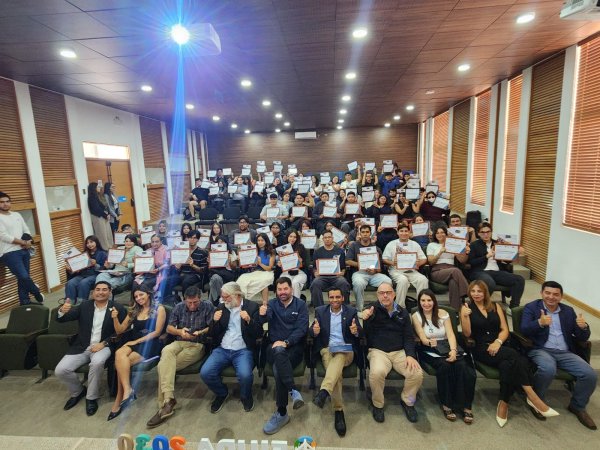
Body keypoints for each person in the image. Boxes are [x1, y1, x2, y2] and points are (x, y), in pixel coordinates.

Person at [460, 280, 559, 427]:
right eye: (473, 291)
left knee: (508, 365)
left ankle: (503, 403)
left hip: (500, 346)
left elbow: (505, 329)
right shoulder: (466, 308)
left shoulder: (496, 306)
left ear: (485, 292)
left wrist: (498, 342)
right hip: (482, 349)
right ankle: (532, 397)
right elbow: (467, 334)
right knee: (516, 357)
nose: (476, 294)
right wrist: (465, 316)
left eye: (479, 291)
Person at [521, 280, 597, 429]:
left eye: (555, 294)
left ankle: (577, 406)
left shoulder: (568, 311)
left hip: (565, 352)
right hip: (541, 349)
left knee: (590, 374)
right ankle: (537, 401)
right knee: (548, 369)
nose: (551, 297)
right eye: (547, 293)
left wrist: (583, 327)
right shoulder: (532, 307)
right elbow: (524, 329)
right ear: (541, 293)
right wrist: (539, 323)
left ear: (561, 296)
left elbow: (581, 337)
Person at [55, 281, 127, 416]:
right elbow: (63, 319)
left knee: (97, 363)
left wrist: (104, 343)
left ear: (110, 292)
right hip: (82, 345)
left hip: (103, 346)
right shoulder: (84, 306)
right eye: (98, 289)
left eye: (104, 289)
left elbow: (121, 332)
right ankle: (78, 391)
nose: (101, 292)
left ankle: (91, 398)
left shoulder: (117, 308)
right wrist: (62, 311)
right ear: (93, 292)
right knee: (61, 370)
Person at [146, 286, 214, 428]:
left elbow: (212, 327)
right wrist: (180, 331)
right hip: (179, 341)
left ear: (200, 298)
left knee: (163, 367)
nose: (192, 305)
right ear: (184, 300)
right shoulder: (179, 307)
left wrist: (200, 332)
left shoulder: (207, 306)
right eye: (189, 303)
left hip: (197, 345)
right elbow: (169, 328)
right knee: (167, 350)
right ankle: (168, 401)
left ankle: (165, 403)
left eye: (195, 302)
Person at [362, 282, 423, 423]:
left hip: (399, 352)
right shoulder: (371, 310)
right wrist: (366, 318)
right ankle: (378, 404)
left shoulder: (403, 312)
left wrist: (410, 355)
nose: (385, 296)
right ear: (377, 295)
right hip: (378, 351)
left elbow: (408, 337)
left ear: (394, 294)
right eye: (381, 293)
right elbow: (364, 335)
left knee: (416, 373)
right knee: (377, 373)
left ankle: (408, 401)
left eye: (388, 292)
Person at [412, 289, 476, 423]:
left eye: (429, 300)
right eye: (423, 300)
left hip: (446, 346)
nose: (426, 303)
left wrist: (453, 350)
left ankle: (465, 405)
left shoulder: (443, 314)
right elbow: (421, 336)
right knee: (445, 366)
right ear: (419, 302)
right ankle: (447, 404)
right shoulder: (416, 316)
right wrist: (428, 341)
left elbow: (451, 334)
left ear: (434, 301)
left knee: (463, 366)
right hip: (429, 349)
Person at [200, 282, 263, 413]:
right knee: (205, 372)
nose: (223, 300)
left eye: (226, 297)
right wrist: (214, 322)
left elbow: (259, 333)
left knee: (245, 375)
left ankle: (246, 396)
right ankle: (222, 393)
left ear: (237, 295)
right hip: (222, 349)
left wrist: (249, 321)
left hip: (243, 350)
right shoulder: (221, 307)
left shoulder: (252, 307)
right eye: (222, 297)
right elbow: (212, 333)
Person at [107, 287, 167, 420]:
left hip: (150, 344)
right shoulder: (134, 311)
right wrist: (115, 318)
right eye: (136, 296)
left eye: (141, 295)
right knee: (119, 354)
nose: (139, 298)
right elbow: (120, 330)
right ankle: (128, 390)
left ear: (148, 294)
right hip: (135, 342)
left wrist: (136, 341)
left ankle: (119, 399)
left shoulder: (159, 309)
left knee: (121, 364)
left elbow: (157, 332)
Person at [259, 277, 309, 434]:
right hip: (272, 347)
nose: (282, 292)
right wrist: (262, 314)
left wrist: (286, 342)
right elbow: (264, 318)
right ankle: (293, 391)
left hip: (294, 348)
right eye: (279, 289)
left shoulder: (300, 305)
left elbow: (302, 329)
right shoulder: (272, 304)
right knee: (278, 351)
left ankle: (282, 413)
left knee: (277, 369)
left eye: (285, 289)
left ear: (291, 289)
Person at [310, 289, 362, 436]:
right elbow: (311, 331)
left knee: (338, 358)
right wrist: (314, 331)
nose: (334, 300)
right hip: (327, 349)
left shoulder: (351, 312)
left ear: (343, 298)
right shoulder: (320, 311)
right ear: (328, 298)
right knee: (336, 375)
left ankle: (324, 391)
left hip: (346, 350)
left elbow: (360, 332)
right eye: (331, 297)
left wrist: (355, 331)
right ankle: (338, 411)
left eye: (337, 297)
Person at [0, 192, 44, 305]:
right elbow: (3, 236)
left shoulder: (17, 215)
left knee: (23, 278)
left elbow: (26, 229)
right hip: (9, 253)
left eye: (7, 201)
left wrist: (28, 241)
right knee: (24, 276)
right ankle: (36, 291)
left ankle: (25, 301)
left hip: (24, 250)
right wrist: (23, 242)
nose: (5, 204)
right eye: (2, 202)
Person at [468, 222, 525, 308]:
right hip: (480, 272)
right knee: (489, 282)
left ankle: (514, 307)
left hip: (497, 272)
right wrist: (487, 256)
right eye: (483, 232)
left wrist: (514, 252)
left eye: (488, 232)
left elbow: (507, 261)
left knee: (519, 279)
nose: (486, 234)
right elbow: (472, 262)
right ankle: (482, 306)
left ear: (491, 232)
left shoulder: (498, 243)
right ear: (478, 233)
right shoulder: (474, 245)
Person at [345, 224, 392, 312]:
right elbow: (347, 261)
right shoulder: (354, 245)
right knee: (358, 283)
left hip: (374, 274)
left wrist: (375, 270)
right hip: (359, 273)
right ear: (360, 234)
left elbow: (380, 268)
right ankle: (359, 308)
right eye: (363, 232)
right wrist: (361, 265)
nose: (365, 234)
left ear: (370, 233)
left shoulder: (376, 248)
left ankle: (382, 306)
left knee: (388, 281)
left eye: (367, 232)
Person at [382, 223, 428, 307]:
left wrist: (418, 263)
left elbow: (424, 259)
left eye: (406, 231)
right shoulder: (391, 244)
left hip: (412, 271)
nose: (404, 233)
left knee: (423, 279)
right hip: (396, 271)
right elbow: (384, 259)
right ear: (398, 232)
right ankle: (400, 307)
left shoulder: (415, 244)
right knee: (403, 280)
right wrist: (392, 263)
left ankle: (422, 306)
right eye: (401, 231)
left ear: (409, 232)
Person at [426, 225, 470, 309]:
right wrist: (440, 252)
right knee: (455, 270)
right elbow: (431, 262)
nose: (440, 234)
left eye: (442, 232)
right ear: (435, 235)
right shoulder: (431, 245)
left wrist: (463, 252)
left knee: (453, 283)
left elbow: (462, 261)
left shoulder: (453, 244)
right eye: (437, 233)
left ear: (446, 234)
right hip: (437, 271)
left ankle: (455, 310)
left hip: (451, 270)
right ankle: (469, 293)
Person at [310, 230, 351, 307]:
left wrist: (342, 273)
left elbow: (343, 267)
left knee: (343, 283)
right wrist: (315, 272)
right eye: (325, 237)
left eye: (329, 237)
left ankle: (345, 307)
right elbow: (314, 267)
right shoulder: (317, 251)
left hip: (336, 277)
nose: (327, 239)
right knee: (315, 283)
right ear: (323, 239)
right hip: (322, 277)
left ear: (333, 238)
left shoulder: (340, 251)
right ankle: (319, 309)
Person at [65, 235, 107, 304]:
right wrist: (71, 269)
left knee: (83, 283)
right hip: (83, 274)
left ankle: (81, 303)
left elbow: (105, 268)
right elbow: (78, 269)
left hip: (95, 275)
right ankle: (69, 303)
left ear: (96, 242)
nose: (89, 244)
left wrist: (95, 264)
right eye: (87, 243)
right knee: (70, 283)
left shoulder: (102, 253)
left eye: (91, 242)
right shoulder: (83, 254)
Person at [236, 233, 275, 303]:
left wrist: (260, 263)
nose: (260, 242)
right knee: (241, 279)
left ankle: (265, 304)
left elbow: (270, 268)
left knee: (264, 283)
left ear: (266, 241)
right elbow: (247, 263)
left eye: (262, 240)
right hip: (254, 272)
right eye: (258, 240)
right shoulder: (254, 250)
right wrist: (241, 259)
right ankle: (242, 302)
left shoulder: (271, 252)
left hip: (267, 272)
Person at [279, 229, 309, 299]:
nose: (292, 239)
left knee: (295, 282)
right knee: (287, 282)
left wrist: (300, 262)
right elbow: (280, 264)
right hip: (286, 272)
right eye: (290, 236)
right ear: (287, 237)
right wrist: (279, 264)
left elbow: (305, 264)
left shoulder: (301, 247)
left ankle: (296, 303)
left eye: (295, 237)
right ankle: (287, 302)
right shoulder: (282, 247)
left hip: (299, 272)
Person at [87, 182, 113, 251]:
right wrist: (105, 215)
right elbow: (96, 209)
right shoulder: (91, 197)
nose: (99, 188)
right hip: (98, 217)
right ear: (94, 188)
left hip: (103, 216)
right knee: (102, 234)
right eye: (98, 187)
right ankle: (105, 249)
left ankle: (110, 247)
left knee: (107, 233)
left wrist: (107, 214)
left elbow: (102, 206)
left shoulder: (96, 196)